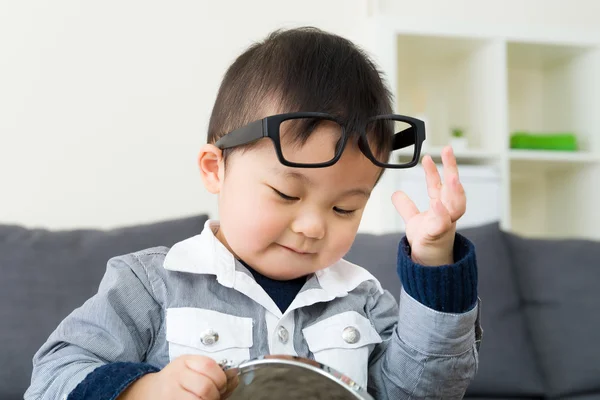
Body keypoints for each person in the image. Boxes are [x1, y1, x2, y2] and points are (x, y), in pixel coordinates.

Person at [26, 27, 481, 400]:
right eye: (286, 194)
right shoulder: (150, 284)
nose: (312, 226)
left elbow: (424, 391)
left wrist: (434, 259)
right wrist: (144, 390)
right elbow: (53, 376)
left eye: (345, 207)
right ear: (214, 169)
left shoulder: (361, 299)